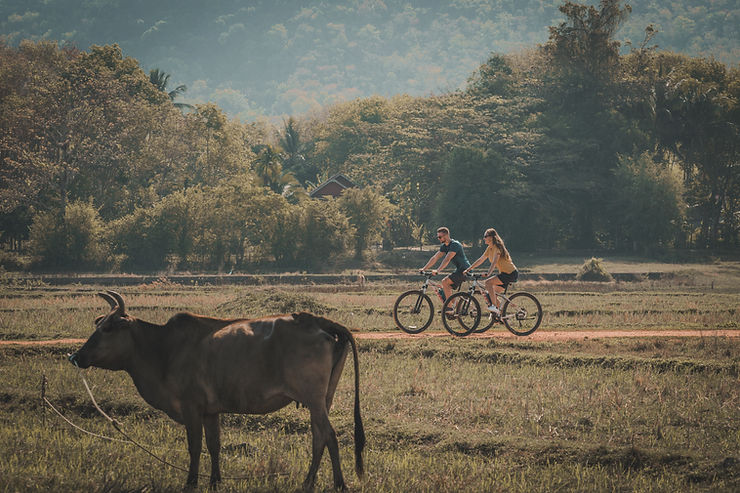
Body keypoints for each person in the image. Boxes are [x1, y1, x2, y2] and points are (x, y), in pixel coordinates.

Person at [464, 228, 518, 315]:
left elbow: (495, 261)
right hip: (504, 274)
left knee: (488, 283)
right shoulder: (489, 248)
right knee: (491, 294)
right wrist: (469, 269)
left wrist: (489, 273)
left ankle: (494, 307)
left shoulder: (498, 247)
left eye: (485, 236)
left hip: (510, 273)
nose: (484, 238)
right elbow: (481, 260)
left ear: (491, 237)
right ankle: (502, 316)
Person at [420, 227, 471, 306]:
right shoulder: (444, 246)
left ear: (446, 235)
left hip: (465, 270)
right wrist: (424, 268)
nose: (439, 239)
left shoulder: (455, 245)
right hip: (458, 270)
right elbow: (435, 257)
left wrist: (438, 270)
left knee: (445, 282)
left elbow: (447, 259)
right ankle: (457, 307)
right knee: (446, 290)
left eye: (440, 237)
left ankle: (449, 307)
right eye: (438, 237)